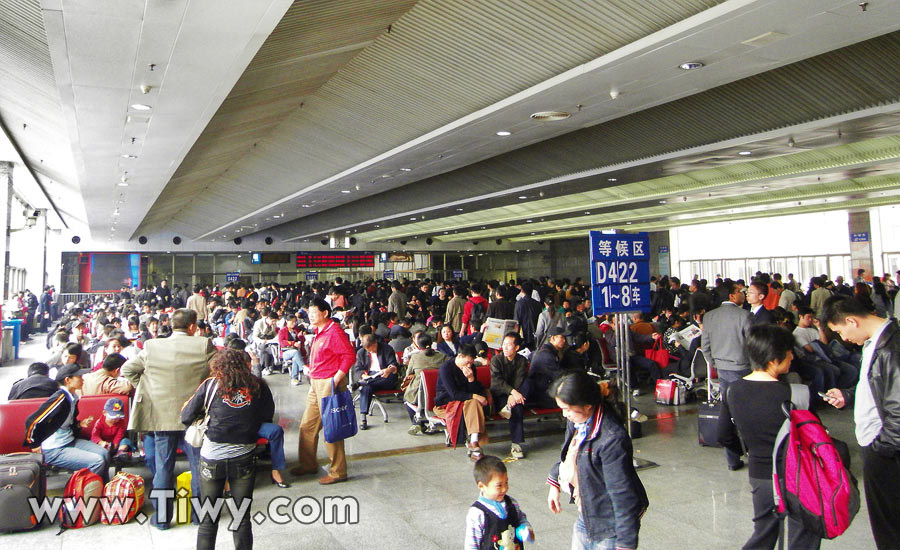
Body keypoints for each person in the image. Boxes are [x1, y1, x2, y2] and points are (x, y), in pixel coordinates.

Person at [717, 325, 821, 549]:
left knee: (764, 531)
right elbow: (815, 437)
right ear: (774, 359)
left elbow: (723, 435)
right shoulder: (798, 393)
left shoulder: (732, 391)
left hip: (760, 473)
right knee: (804, 532)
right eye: (789, 352)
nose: (793, 356)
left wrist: (748, 451)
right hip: (799, 475)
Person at [122, 308, 215, 529]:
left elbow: (128, 370)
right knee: (198, 466)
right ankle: (199, 517)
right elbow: (217, 372)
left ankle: (162, 519)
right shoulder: (203, 345)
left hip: (162, 418)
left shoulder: (152, 346)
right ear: (192, 326)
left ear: (171, 324)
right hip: (194, 418)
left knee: (163, 469)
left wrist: (149, 390)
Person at [822, 296, 900, 550]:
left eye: (840, 331)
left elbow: (898, 413)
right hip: (880, 444)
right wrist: (848, 395)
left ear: (851, 321)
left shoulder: (891, 348)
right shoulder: (876, 342)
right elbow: (876, 387)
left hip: (886, 451)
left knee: (888, 523)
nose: (843, 338)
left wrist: (880, 449)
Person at [181, 349, 275, 550]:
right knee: (241, 517)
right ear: (246, 365)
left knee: (209, 518)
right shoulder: (258, 386)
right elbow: (267, 416)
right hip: (244, 456)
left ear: (219, 366)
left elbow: (186, 417)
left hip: (211, 458)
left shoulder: (211, 385)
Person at [547, 369, 648, 550]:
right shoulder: (577, 422)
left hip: (610, 524)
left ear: (587, 405)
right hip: (588, 512)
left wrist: (625, 544)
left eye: (567, 409)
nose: (564, 415)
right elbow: (571, 455)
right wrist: (555, 481)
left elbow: (622, 495)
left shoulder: (612, 439)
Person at [291, 298, 355, 485]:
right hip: (316, 383)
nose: (310, 316)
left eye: (313, 313)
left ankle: (338, 472)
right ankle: (308, 464)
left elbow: (349, 355)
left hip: (329, 383)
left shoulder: (334, 331)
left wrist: (336, 379)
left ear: (325, 313)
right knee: (307, 426)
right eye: (308, 313)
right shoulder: (319, 331)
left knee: (332, 428)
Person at [23, 364, 108, 482]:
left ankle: (104, 491)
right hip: (54, 449)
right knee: (97, 462)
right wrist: (33, 444)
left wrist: (79, 424)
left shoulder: (72, 397)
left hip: (69, 440)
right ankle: (87, 496)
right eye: (79, 376)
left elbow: (64, 422)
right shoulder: (60, 398)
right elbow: (32, 421)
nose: (83, 379)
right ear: (68, 380)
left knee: (104, 453)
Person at [700, 281, 753, 471]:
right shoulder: (745, 316)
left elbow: (705, 346)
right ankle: (753, 454)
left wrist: (715, 363)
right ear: (731, 296)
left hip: (722, 369)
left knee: (728, 408)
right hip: (743, 369)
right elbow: (751, 346)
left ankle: (732, 459)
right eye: (740, 292)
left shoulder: (709, 317)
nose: (744, 294)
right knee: (746, 412)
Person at [465, 455, 535, 550]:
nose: (504, 488)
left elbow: (521, 518)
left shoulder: (512, 503)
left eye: (506, 482)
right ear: (481, 486)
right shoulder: (477, 513)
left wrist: (527, 529)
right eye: (499, 485)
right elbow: (472, 544)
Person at [434, 344, 489, 460]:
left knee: (473, 404)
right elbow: (453, 394)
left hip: (466, 403)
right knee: (474, 403)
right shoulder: (446, 369)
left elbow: (472, 390)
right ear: (460, 356)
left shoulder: (471, 368)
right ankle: (475, 444)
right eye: (467, 362)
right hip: (446, 404)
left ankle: (474, 444)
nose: (469, 365)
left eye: (471, 362)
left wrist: (471, 379)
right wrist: (475, 396)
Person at [489, 332, 529, 459]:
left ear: (517, 348)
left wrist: (513, 394)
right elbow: (497, 381)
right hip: (499, 394)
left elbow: (520, 379)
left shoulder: (521, 360)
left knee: (517, 408)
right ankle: (506, 406)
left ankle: (516, 444)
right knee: (515, 403)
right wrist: (513, 392)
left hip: (515, 395)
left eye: (509, 345)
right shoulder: (496, 360)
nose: (505, 348)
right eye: (504, 344)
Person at [352, 333, 400, 430]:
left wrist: (389, 370)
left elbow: (394, 364)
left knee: (366, 384)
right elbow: (357, 368)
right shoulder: (361, 352)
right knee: (366, 387)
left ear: (375, 343)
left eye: (371, 348)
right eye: (367, 350)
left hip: (386, 376)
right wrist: (363, 375)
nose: (370, 351)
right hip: (371, 376)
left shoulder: (387, 349)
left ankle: (361, 383)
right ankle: (363, 417)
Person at [404, 332, 447, 435]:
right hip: (439, 393)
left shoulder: (415, 357)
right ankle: (426, 420)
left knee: (406, 398)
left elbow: (408, 373)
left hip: (418, 393)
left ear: (418, 345)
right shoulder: (442, 356)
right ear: (431, 343)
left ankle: (418, 422)